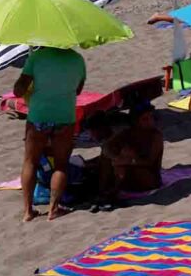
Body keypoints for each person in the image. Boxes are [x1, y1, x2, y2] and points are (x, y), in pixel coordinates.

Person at [16, 43, 87, 220]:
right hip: (65, 115)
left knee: (30, 161)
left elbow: (18, 90)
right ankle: (53, 209)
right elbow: (77, 90)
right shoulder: (78, 60)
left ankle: (28, 211)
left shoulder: (37, 57)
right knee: (61, 164)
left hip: (39, 115)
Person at [83, 102, 166, 202]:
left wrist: (129, 160)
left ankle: (111, 193)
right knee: (107, 158)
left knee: (122, 163)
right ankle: (102, 191)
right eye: (145, 119)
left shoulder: (155, 136)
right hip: (130, 175)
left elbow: (150, 162)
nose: (150, 122)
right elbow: (108, 147)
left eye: (150, 118)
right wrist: (115, 157)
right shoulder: (128, 133)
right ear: (135, 121)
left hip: (149, 177)